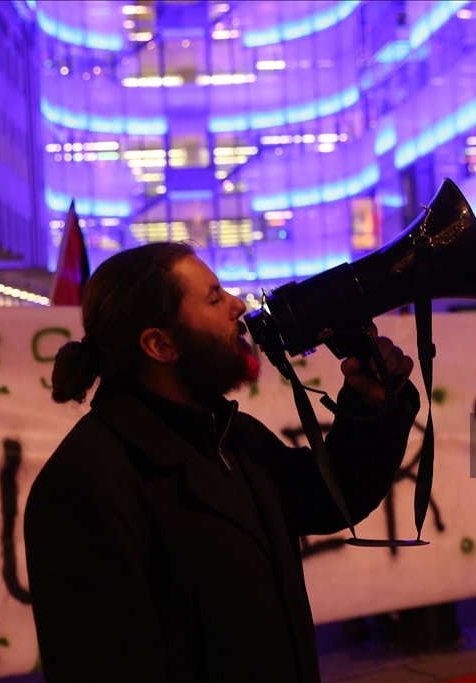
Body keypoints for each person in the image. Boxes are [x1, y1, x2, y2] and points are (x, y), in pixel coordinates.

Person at [24, 243, 419, 682]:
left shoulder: (234, 436)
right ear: (160, 344)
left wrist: (373, 404)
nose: (236, 305)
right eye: (214, 298)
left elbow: (331, 497)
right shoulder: (84, 484)